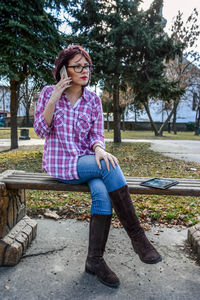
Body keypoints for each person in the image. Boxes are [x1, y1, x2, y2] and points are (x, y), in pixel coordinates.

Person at [34, 45, 162, 288]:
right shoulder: (48, 93)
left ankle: (94, 261)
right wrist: (54, 96)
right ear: (64, 70)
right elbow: (40, 130)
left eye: (87, 66)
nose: (85, 71)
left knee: (103, 192)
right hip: (60, 163)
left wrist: (99, 149)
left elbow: (96, 136)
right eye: (78, 66)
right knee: (110, 167)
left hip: (87, 162)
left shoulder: (92, 100)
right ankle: (138, 238)